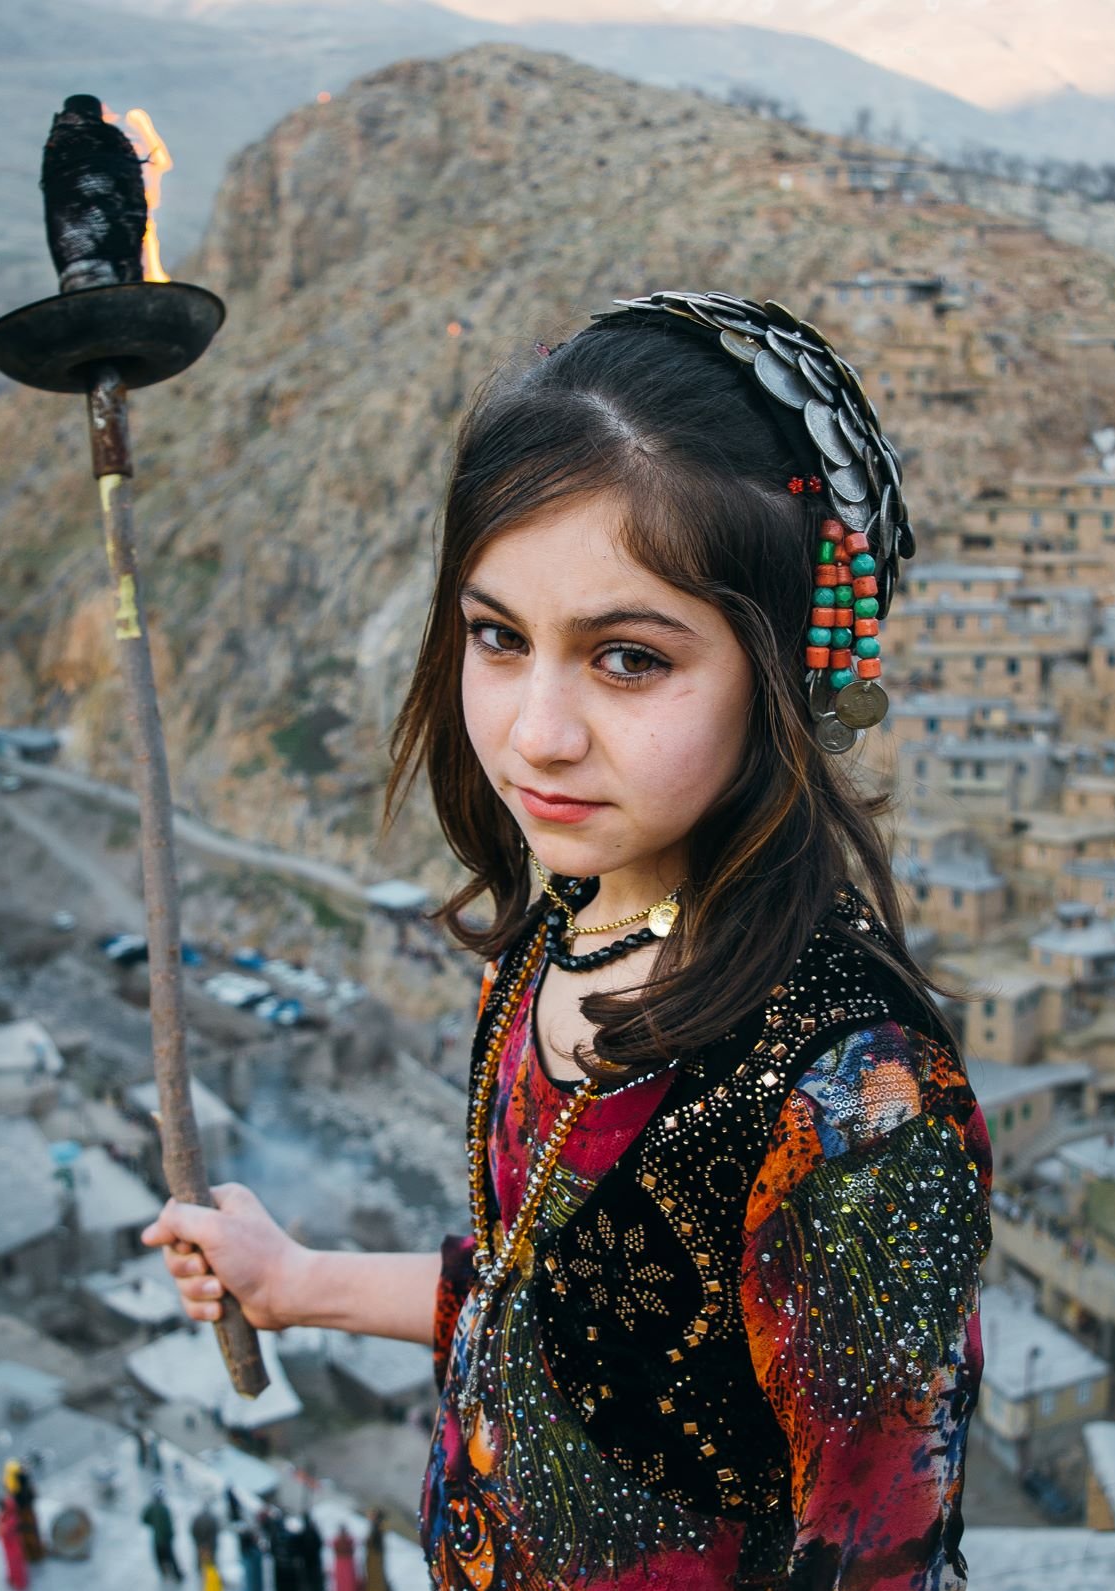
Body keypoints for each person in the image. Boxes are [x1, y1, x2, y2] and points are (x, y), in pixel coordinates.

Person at [145, 292, 995, 1587]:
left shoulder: (850, 1110)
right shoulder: (563, 928)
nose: (537, 730)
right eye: (499, 636)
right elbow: (546, 1307)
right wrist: (297, 1278)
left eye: (629, 659)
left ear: (781, 672)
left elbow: (884, 1555)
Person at [144, 1486, 180, 1580]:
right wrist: (171, 1536)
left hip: (157, 1538)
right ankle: (177, 1575)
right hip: (165, 1539)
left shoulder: (151, 1508)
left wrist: (153, 1524)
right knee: (171, 1557)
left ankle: (164, 1573)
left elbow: (144, 1519)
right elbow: (169, 1525)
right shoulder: (164, 1509)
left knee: (159, 1558)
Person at [330, 1523, 359, 1591]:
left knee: (344, 1582)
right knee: (347, 1581)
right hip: (346, 1562)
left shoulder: (338, 1540)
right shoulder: (348, 1540)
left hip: (342, 1562)